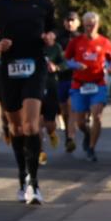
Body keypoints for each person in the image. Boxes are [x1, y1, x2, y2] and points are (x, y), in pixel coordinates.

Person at [0, 0, 56, 205]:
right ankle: (22, 178)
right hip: (9, 69)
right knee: (17, 129)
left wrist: (50, 37)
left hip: (35, 67)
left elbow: (54, 31)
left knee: (32, 126)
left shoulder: (43, 4)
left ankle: (34, 183)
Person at [64, 11, 111, 162]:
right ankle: (87, 134)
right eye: (87, 25)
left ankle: (92, 148)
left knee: (97, 116)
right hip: (79, 85)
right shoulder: (76, 42)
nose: (89, 28)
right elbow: (65, 60)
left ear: (97, 25)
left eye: (92, 25)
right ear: (83, 25)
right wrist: (75, 65)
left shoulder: (105, 42)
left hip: (98, 84)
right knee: (80, 121)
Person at [55, 11, 81, 152]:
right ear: (64, 22)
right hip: (61, 78)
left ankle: (71, 137)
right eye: (67, 20)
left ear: (78, 22)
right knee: (64, 110)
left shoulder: (81, 38)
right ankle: (67, 135)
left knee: (71, 107)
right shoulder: (58, 38)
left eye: (73, 20)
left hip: (75, 78)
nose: (70, 23)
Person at [39, 33, 65, 165]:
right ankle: (40, 152)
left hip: (51, 87)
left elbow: (64, 63)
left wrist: (56, 67)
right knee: (37, 123)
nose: (45, 36)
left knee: (49, 123)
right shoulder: (36, 46)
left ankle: (52, 133)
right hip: (36, 86)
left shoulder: (56, 48)